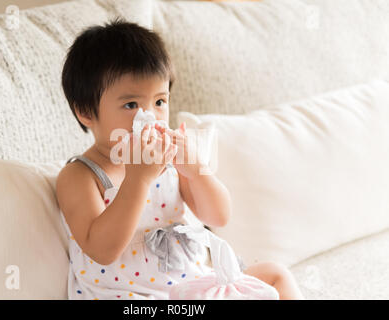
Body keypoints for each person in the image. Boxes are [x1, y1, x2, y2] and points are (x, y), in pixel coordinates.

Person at [56, 17, 304, 300]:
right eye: (131, 104)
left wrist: (197, 171)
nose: (149, 116)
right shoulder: (81, 176)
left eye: (160, 101)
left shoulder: (168, 161)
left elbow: (219, 216)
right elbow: (102, 250)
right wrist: (137, 179)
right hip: (131, 297)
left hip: (191, 287)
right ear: (86, 112)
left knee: (275, 274)